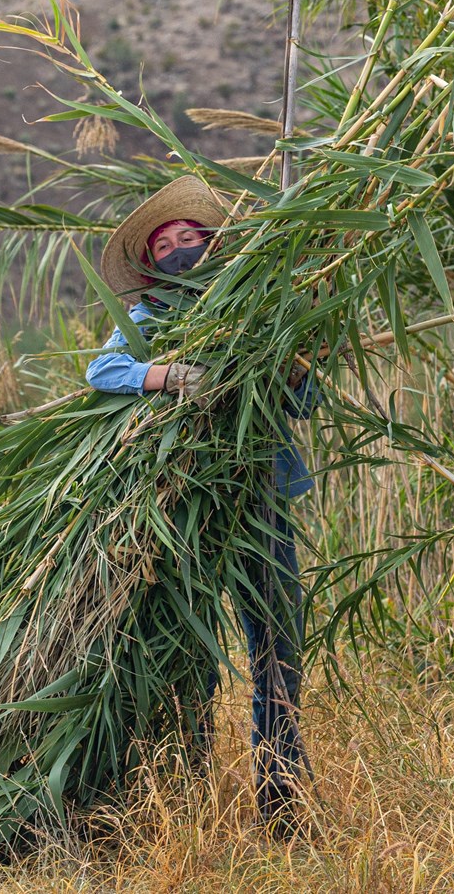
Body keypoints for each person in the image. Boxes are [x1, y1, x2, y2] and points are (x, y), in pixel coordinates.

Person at [86, 175, 316, 827]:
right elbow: (102, 373)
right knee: (192, 655)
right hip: (188, 510)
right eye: (167, 242)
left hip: (262, 501)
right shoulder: (150, 318)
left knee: (277, 645)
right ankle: (183, 794)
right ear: (152, 266)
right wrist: (165, 375)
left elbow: (303, 404)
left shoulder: (253, 317)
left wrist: (296, 362)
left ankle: (283, 798)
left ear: (214, 248)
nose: (182, 245)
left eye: (192, 236)